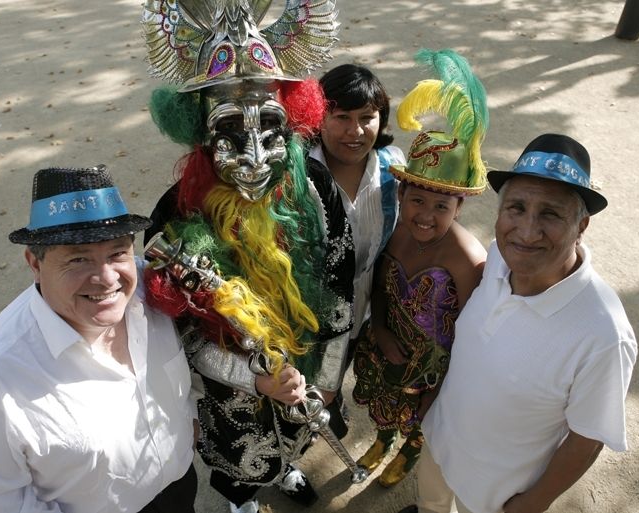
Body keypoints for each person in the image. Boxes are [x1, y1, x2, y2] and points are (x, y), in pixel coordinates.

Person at [139, 2, 353, 512]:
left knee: (302, 427)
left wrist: (324, 383)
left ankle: (291, 467)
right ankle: (243, 501)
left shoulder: (316, 188)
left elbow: (341, 291)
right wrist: (252, 379)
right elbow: (175, 330)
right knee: (241, 455)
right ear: (202, 134)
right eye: (232, 134)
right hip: (231, 384)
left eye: (272, 131)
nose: (256, 156)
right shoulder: (176, 211)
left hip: (306, 364)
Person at [398, 133, 638, 513]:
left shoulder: (604, 334)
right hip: (441, 441)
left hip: (497, 493)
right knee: (431, 503)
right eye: (517, 208)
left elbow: (587, 438)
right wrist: (438, 400)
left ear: (582, 225)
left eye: (551, 214)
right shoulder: (498, 257)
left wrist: (534, 504)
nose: (527, 232)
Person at [0, 165, 198, 513]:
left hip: (181, 490)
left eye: (117, 253)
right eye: (78, 259)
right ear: (34, 263)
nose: (107, 279)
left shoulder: (153, 290)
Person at [350, 49, 488, 488]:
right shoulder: (395, 231)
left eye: (441, 205)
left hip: (435, 366)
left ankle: (411, 447)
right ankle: (384, 437)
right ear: (403, 194)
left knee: (420, 415)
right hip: (387, 347)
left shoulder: (469, 259)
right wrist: (384, 331)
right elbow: (380, 288)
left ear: (460, 206)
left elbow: (474, 330)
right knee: (386, 401)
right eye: (417, 200)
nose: (425, 215)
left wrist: (443, 384)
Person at [311, 64, 406, 364]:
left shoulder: (394, 169)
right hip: (306, 320)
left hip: (363, 314)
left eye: (367, 118)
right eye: (342, 118)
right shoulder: (297, 173)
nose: (355, 131)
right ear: (319, 117)